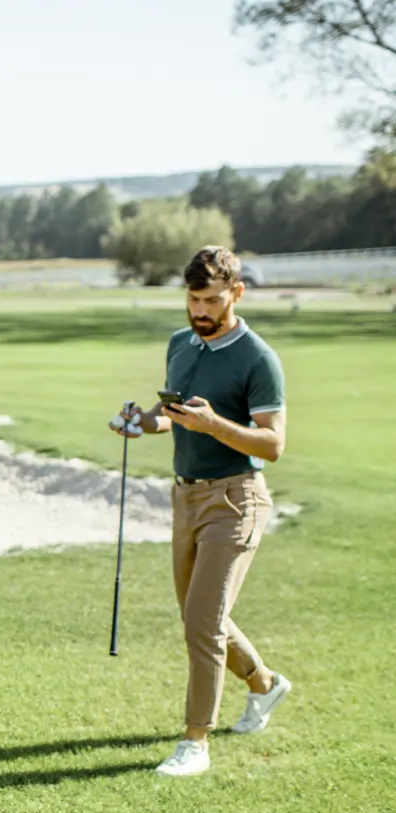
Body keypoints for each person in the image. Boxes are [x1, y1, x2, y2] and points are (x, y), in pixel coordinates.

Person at [110, 246, 292, 777]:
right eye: (193, 300)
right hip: (185, 497)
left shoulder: (258, 358)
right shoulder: (181, 343)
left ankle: (196, 742)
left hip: (236, 499)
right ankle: (264, 683)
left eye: (212, 300)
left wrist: (215, 424)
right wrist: (142, 421)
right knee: (199, 617)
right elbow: (173, 414)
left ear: (237, 293)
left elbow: (273, 444)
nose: (200, 311)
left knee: (203, 622)